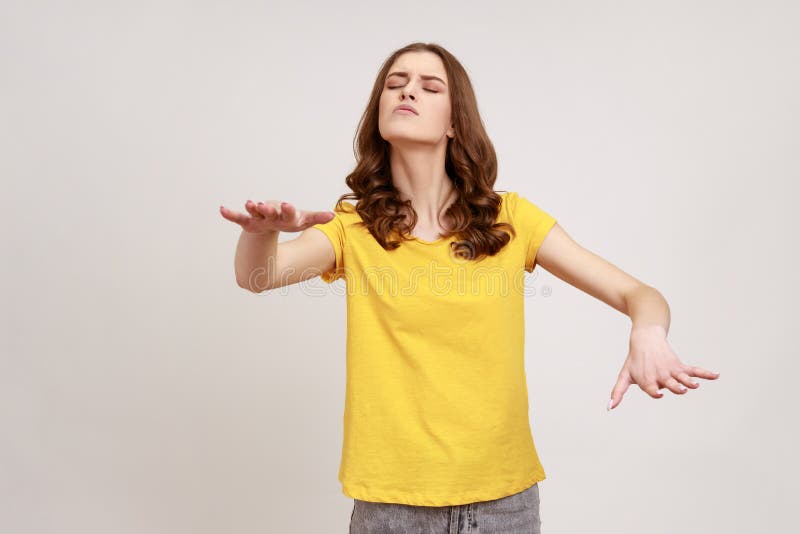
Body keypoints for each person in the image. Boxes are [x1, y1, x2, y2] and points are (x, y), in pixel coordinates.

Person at [219, 42, 720, 534]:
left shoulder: (512, 220)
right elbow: (258, 276)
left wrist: (648, 333)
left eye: (428, 86)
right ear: (379, 114)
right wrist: (259, 233)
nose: (407, 92)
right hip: (392, 508)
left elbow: (641, 295)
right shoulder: (354, 226)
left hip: (504, 505)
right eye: (395, 84)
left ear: (455, 122)